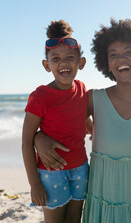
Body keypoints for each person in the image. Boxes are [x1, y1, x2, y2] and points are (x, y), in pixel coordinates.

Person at [35, 19, 131, 223]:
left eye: (128, 52)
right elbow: (60, 122)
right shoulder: (93, 99)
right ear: (106, 63)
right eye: (113, 55)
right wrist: (38, 137)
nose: (121, 59)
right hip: (103, 203)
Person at [22, 20, 88, 223]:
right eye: (56, 58)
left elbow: (81, 118)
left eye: (70, 57)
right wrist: (34, 184)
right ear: (46, 65)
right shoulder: (40, 96)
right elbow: (26, 141)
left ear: (81, 62)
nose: (63, 63)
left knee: (74, 219)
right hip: (51, 173)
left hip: (81, 169)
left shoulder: (82, 88)